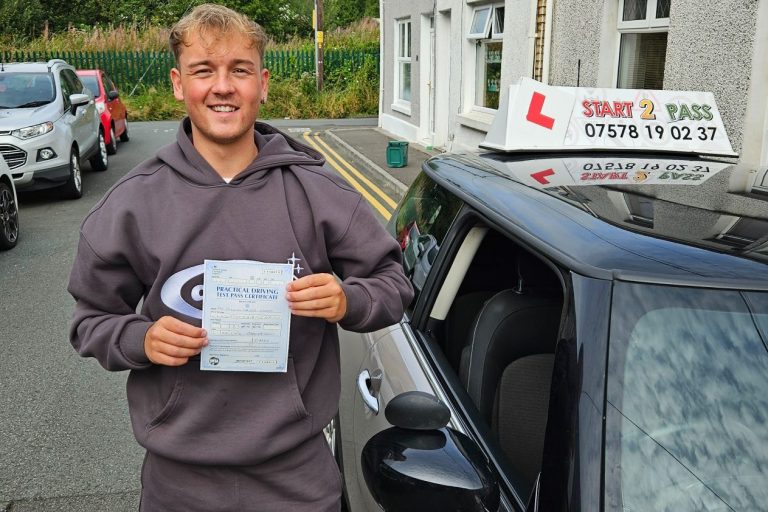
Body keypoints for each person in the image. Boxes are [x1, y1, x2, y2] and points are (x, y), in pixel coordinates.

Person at [67, 4, 413, 511]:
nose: (223, 86)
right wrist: (139, 337)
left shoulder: (318, 191)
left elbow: (393, 283)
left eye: (240, 70)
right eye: (203, 71)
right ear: (178, 84)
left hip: (297, 476)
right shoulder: (132, 204)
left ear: (263, 83)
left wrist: (348, 299)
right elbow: (90, 322)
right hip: (177, 482)